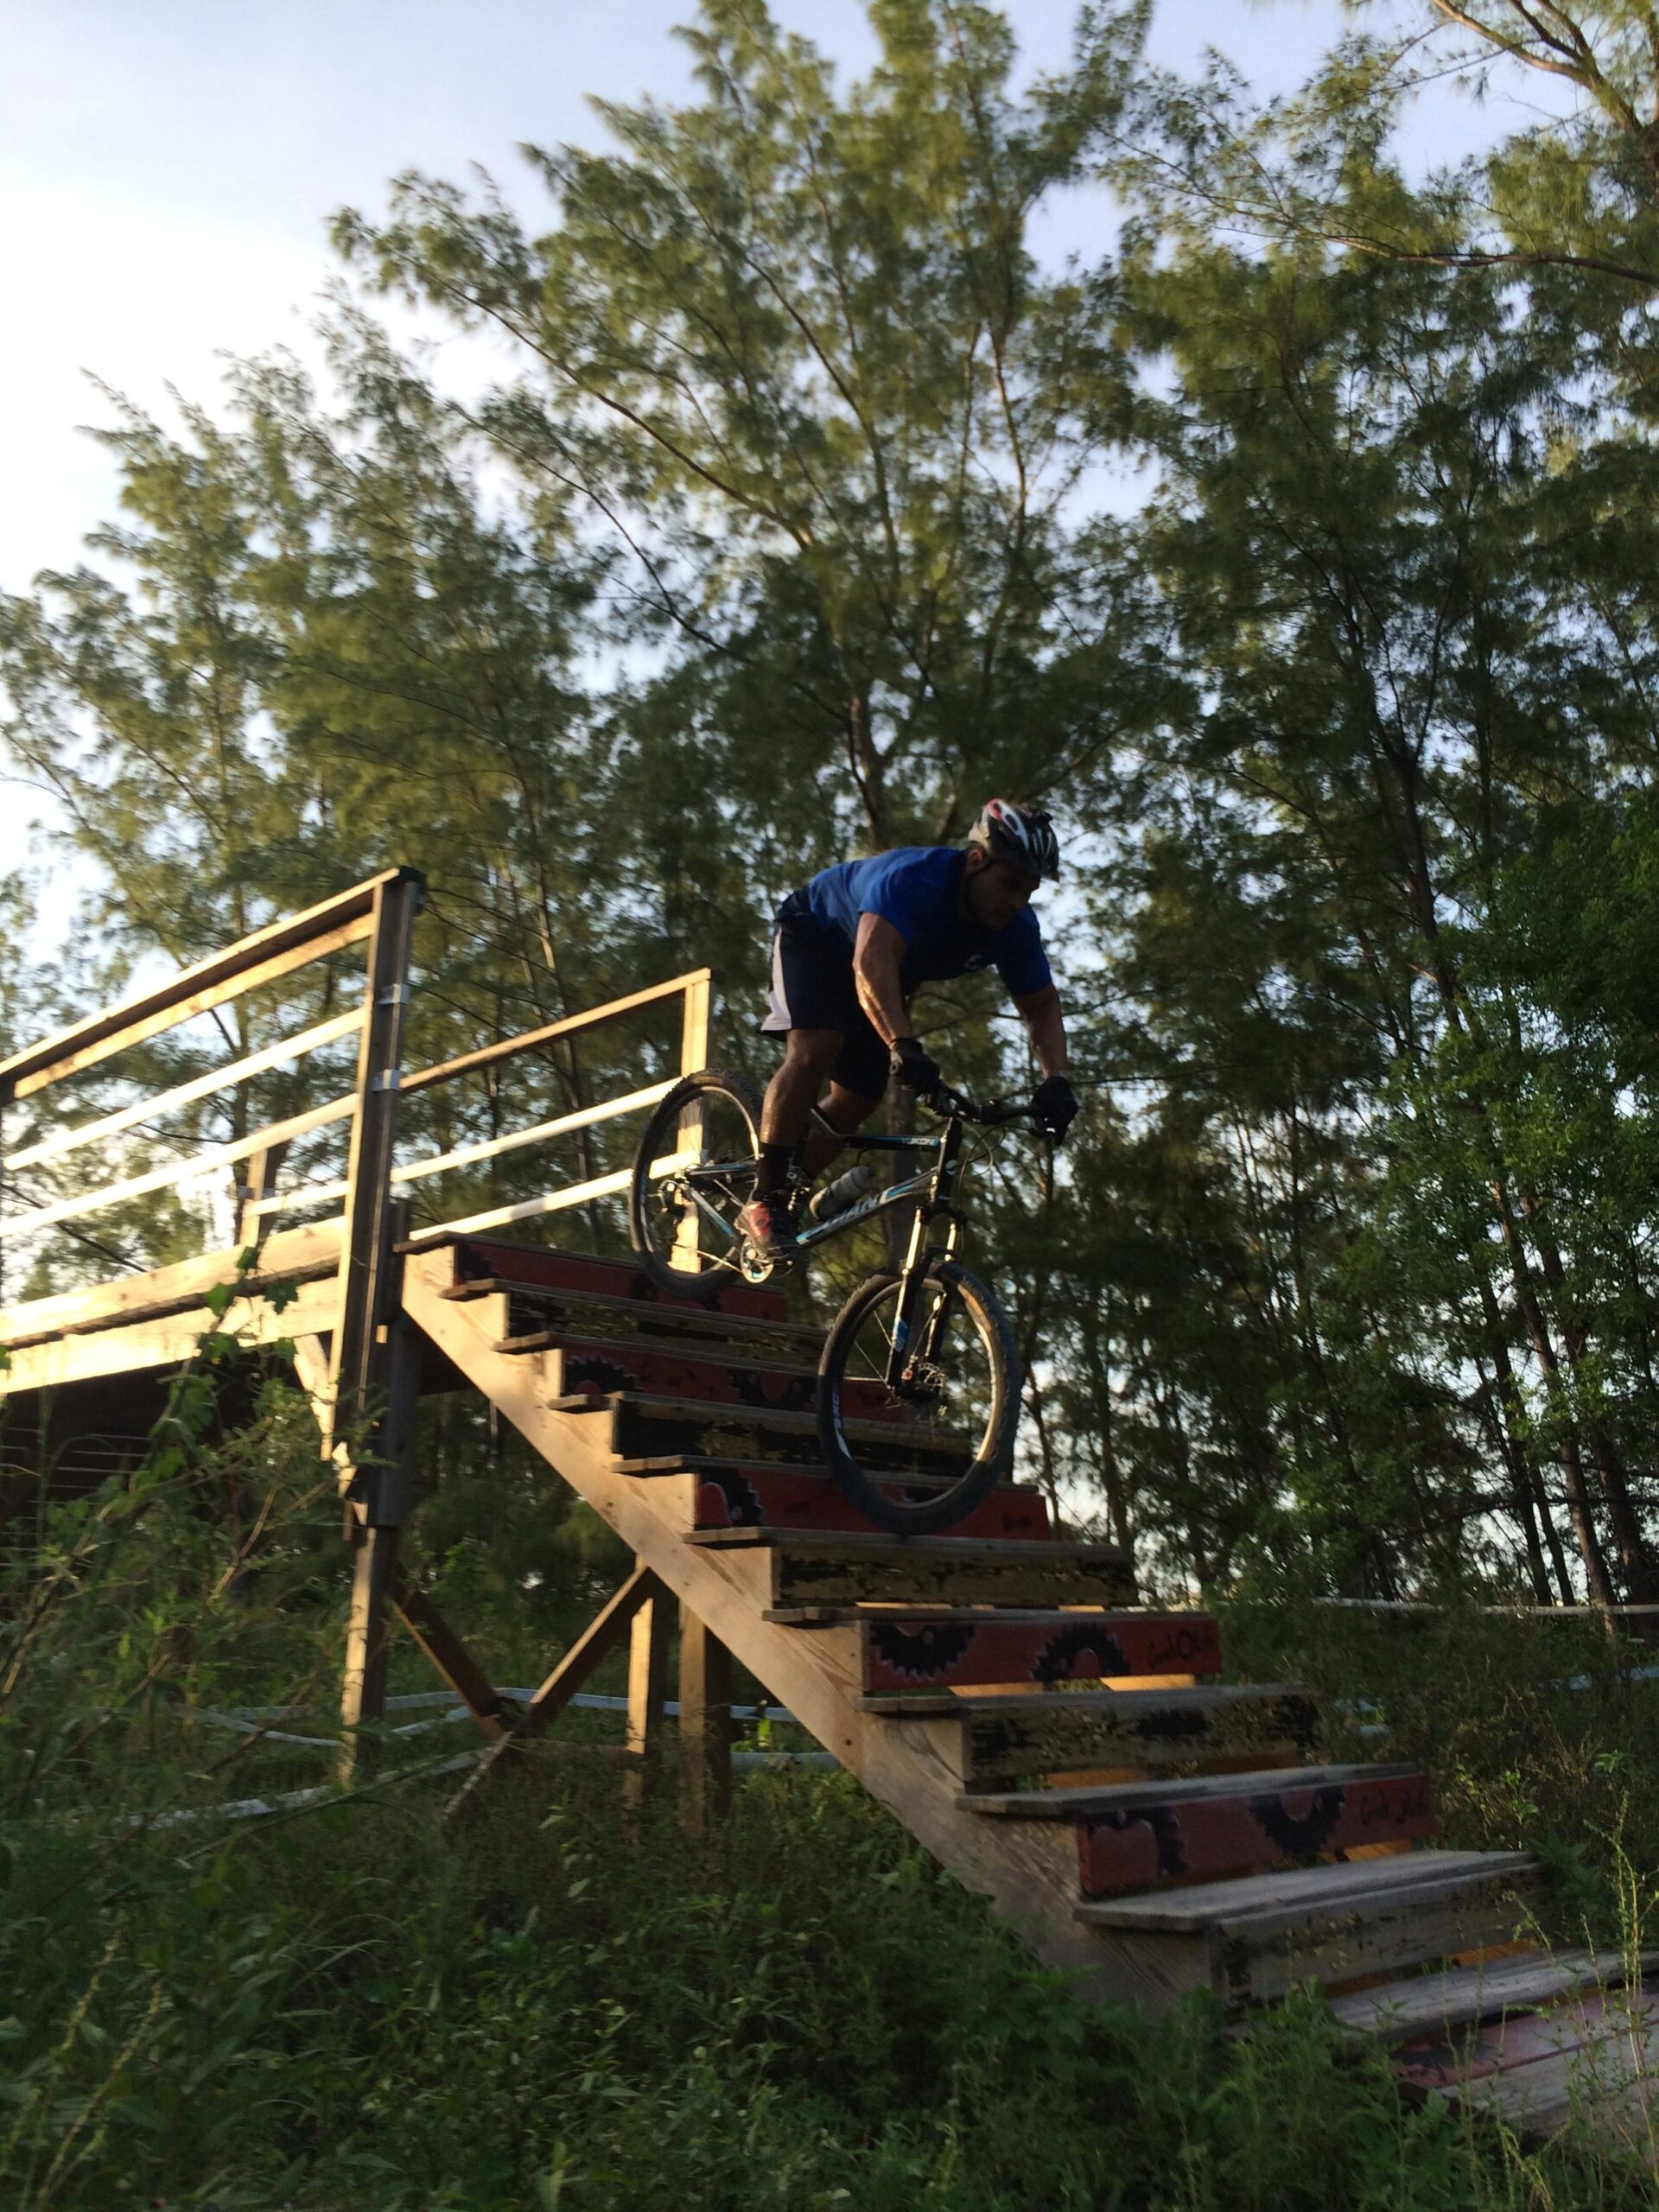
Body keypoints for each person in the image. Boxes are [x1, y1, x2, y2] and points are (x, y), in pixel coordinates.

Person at [736, 799, 1079, 1259]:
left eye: (1029, 890)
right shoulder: (916, 881)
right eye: (1010, 883)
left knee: (858, 1097)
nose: (1016, 900)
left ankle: (792, 1194)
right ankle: (765, 1198)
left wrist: (1055, 1080)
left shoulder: (1013, 927)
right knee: (816, 1047)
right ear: (976, 861)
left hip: (882, 969)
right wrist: (901, 1042)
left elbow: (1041, 1007)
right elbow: (871, 960)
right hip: (819, 936)